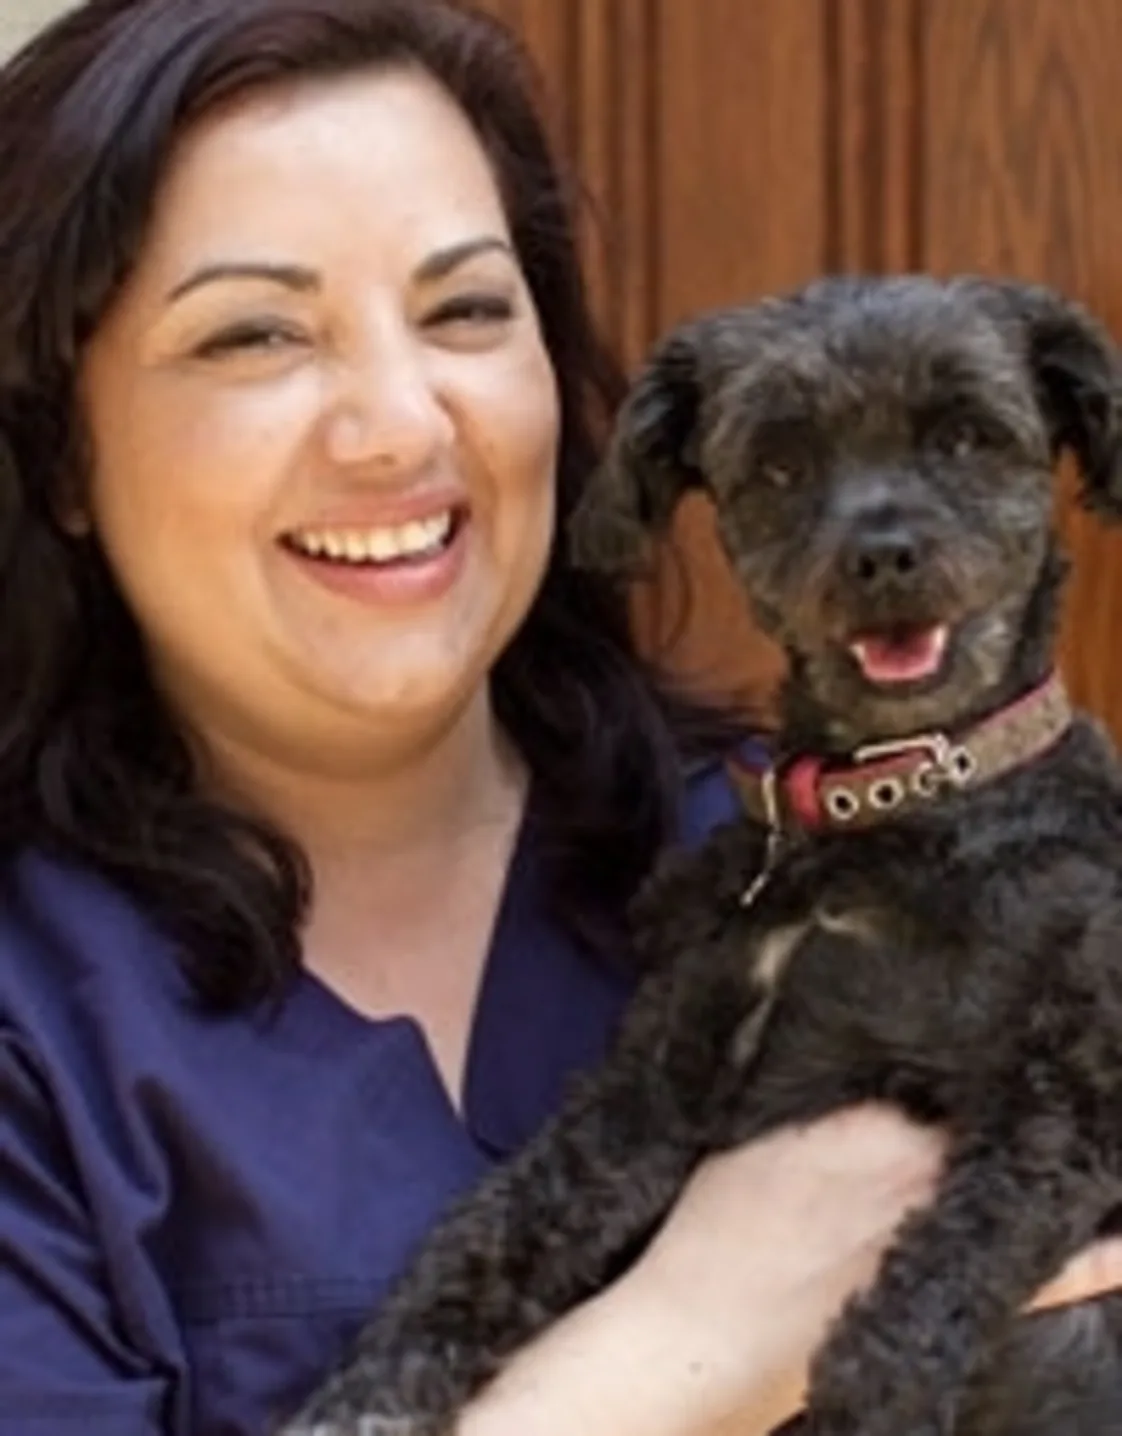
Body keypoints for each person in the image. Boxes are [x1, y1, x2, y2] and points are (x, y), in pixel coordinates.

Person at [0, 2, 1118, 1433]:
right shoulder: (37, 1012)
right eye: (255, 333)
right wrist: (679, 1344)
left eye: (465, 308)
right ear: (60, 452)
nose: (397, 427)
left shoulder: (778, 851)